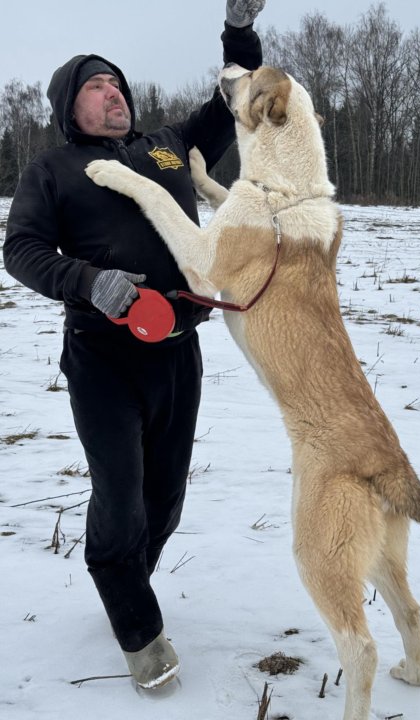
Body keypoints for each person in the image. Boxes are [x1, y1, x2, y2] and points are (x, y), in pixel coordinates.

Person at [3, 0, 265, 690]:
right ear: (70, 106)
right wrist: (89, 281)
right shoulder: (53, 169)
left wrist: (239, 33)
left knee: (165, 498)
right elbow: (20, 250)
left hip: (178, 352)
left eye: (116, 82)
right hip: (103, 358)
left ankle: (126, 581)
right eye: (95, 86)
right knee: (119, 496)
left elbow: (235, 97)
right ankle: (138, 629)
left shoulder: (169, 144)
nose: (112, 92)